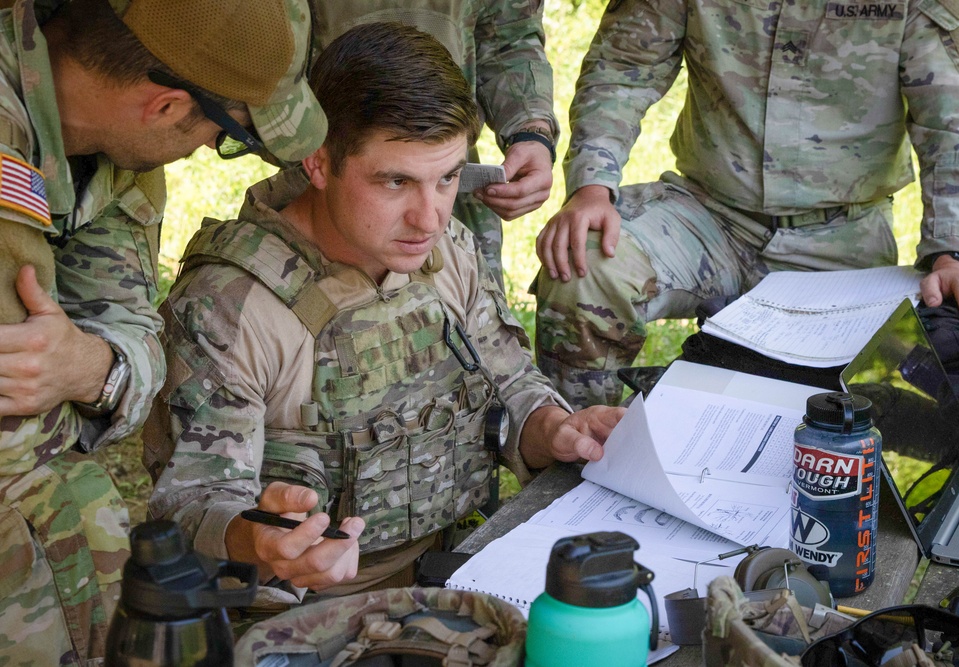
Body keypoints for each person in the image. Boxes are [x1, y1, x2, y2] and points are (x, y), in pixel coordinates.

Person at [142, 21, 623, 614]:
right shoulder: (233, 307)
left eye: (447, 178)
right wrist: (264, 540)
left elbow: (512, 382)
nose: (429, 216)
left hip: (468, 566)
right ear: (319, 162)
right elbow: (192, 502)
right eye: (396, 181)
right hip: (307, 614)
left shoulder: (446, 250)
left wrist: (551, 427)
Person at [0, 0, 325, 662]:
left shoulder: (120, 159)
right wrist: (97, 384)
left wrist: (88, 369)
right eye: (226, 134)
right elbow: (15, 424)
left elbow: (137, 349)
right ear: (167, 107)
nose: (209, 148)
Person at [532, 0, 959, 410]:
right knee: (584, 263)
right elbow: (621, 69)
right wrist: (591, 186)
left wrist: (955, 253)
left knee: (819, 414)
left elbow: (955, 124)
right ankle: (572, 467)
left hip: (840, 240)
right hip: (705, 215)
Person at [311, 1, 559, 285]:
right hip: (334, 158)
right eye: (396, 182)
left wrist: (530, 131)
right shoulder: (257, 314)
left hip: (448, 156)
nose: (427, 224)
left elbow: (510, 31)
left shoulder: (460, 252)